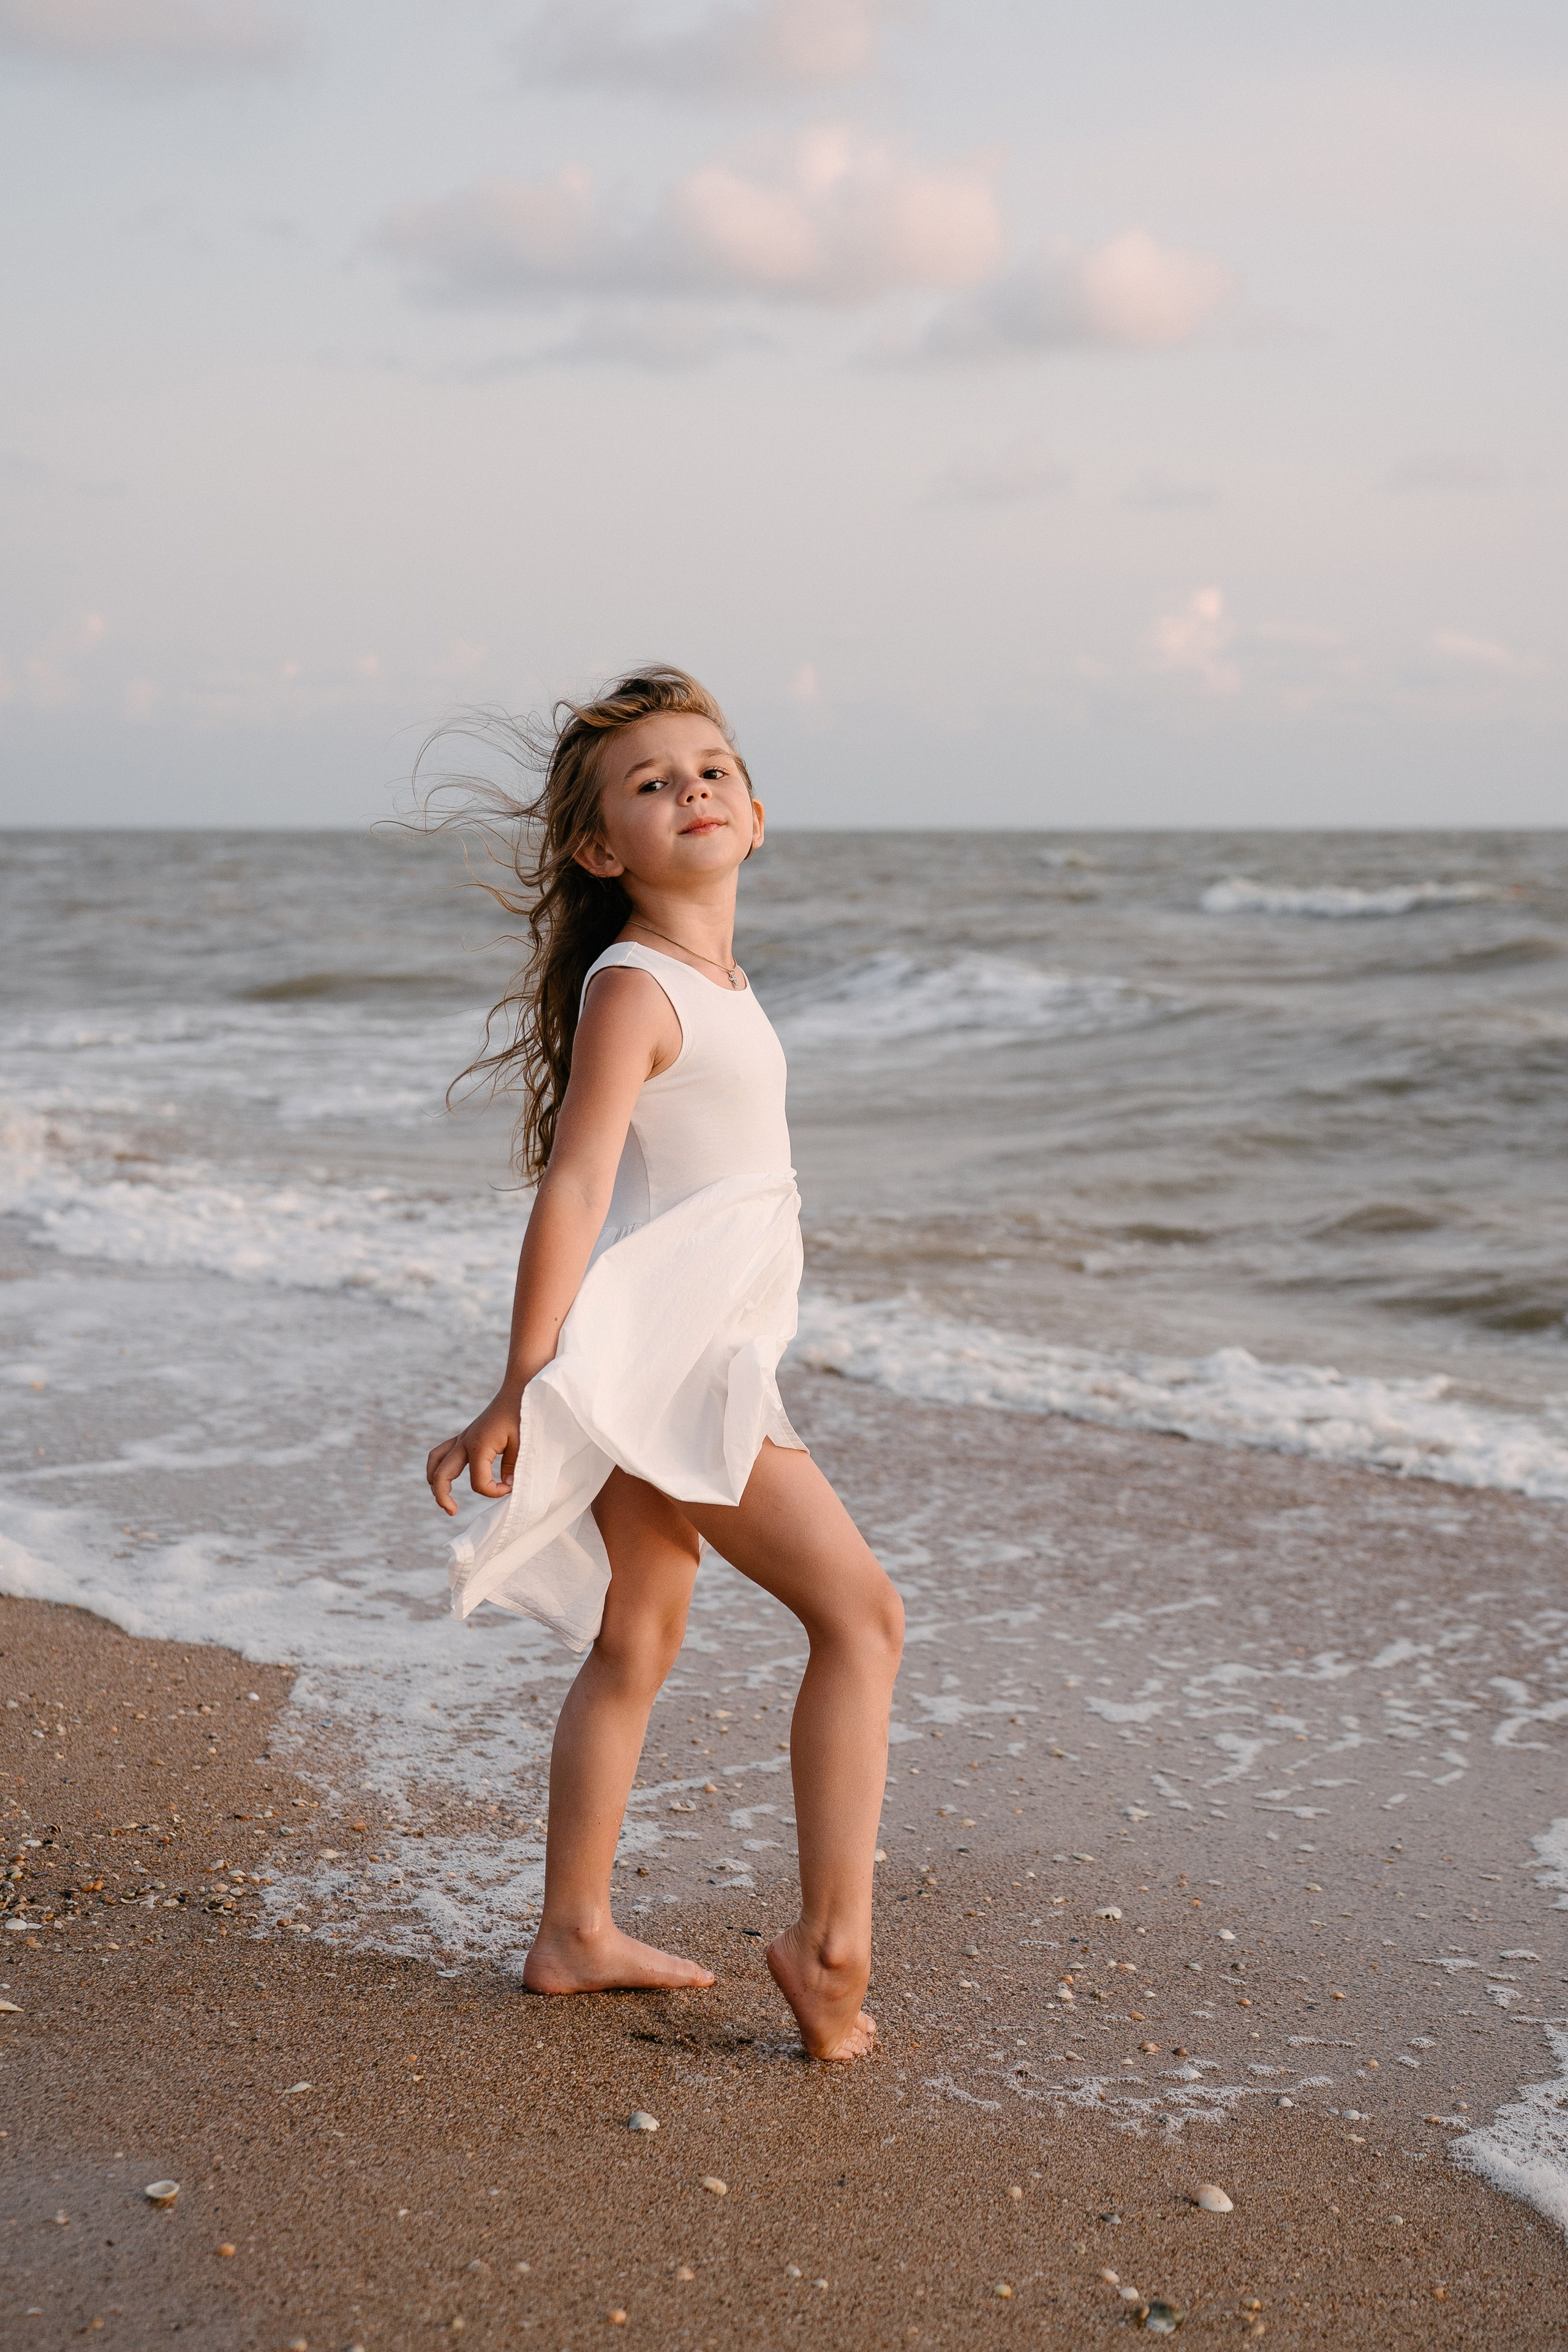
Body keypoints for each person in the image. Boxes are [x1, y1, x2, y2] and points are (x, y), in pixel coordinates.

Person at [424, 666, 903, 2061]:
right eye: (650, 783)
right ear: (598, 848)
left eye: (711, 770)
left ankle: (573, 1929)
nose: (690, 788)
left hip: (668, 1343)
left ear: (755, 815)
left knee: (639, 1636)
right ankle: (828, 1950)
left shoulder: (711, 982)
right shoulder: (635, 983)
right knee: (862, 1620)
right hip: (672, 1364)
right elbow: (572, 1188)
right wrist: (521, 1380)